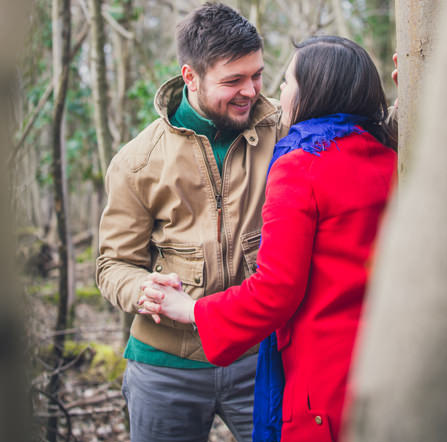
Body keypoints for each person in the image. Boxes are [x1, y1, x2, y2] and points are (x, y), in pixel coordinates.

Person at [139, 36, 398, 442]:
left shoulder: (300, 166)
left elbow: (276, 289)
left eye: (286, 82)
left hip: (322, 375)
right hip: (388, 363)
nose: (277, 92)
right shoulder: (390, 155)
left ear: (313, 92)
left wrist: (191, 310)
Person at [97, 2, 283, 441]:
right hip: (165, 369)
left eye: (256, 75)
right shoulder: (137, 162)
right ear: (190, 77)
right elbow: (112, 266)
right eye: (232, 80)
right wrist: (139, 289)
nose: (250, 90)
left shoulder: (284, 127)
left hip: (260, 358)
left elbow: (352, 133)